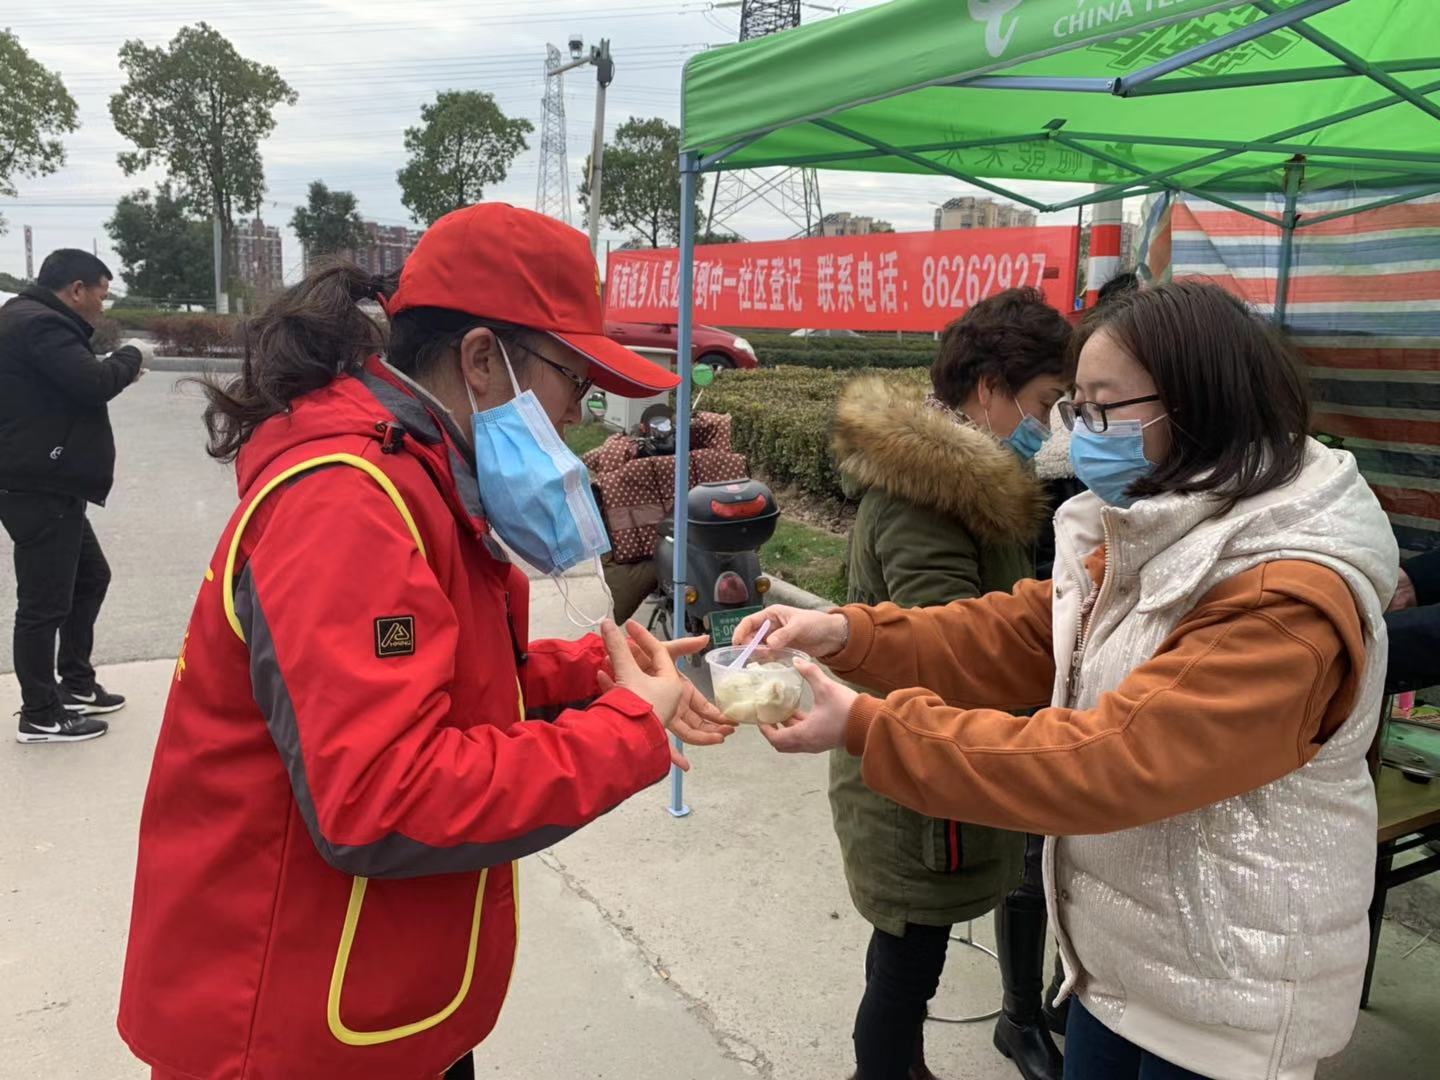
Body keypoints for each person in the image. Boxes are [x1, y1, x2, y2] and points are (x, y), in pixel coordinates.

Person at [117, 204, 733, 1080]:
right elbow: (381, 794)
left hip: (381, 1001)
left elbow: (441, 681)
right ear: (481, 359)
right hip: (291, 1028)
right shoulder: (348, 504)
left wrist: (595, 674)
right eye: (572, 381)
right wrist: (625, 729)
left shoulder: (421, 474)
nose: (578, 415)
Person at [740, 281, 1397, 1080]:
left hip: (1227, 997)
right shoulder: (1167, 524)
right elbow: (1027, 628)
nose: (1079, 432)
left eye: (1099, 407)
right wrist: (850, 634)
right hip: (1120, 961)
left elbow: (1114, 760)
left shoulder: (1286, 595)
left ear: (1197, 401)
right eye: (1072, 407)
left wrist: (870, 725)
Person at [828, 288, 1072, 1080]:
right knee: (907, 967)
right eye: (1046, 402)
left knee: (906, 956)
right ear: (991, 387)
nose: (1051, 424)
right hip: (914, 777)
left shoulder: (969, 486)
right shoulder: (926, 498)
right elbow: (947, 645)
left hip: (929, 763)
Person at [0, 249, 147, 744]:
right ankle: (41, 714)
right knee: (43, 604)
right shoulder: (41, 325)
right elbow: (94, 383)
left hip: (47, 480)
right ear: (77, 289)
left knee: (90, 578)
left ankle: (76, 683)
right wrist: (131, 355)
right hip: (38, 483)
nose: (103, 306)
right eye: (101, 295)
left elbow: (73, 380)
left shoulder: (26, 318)